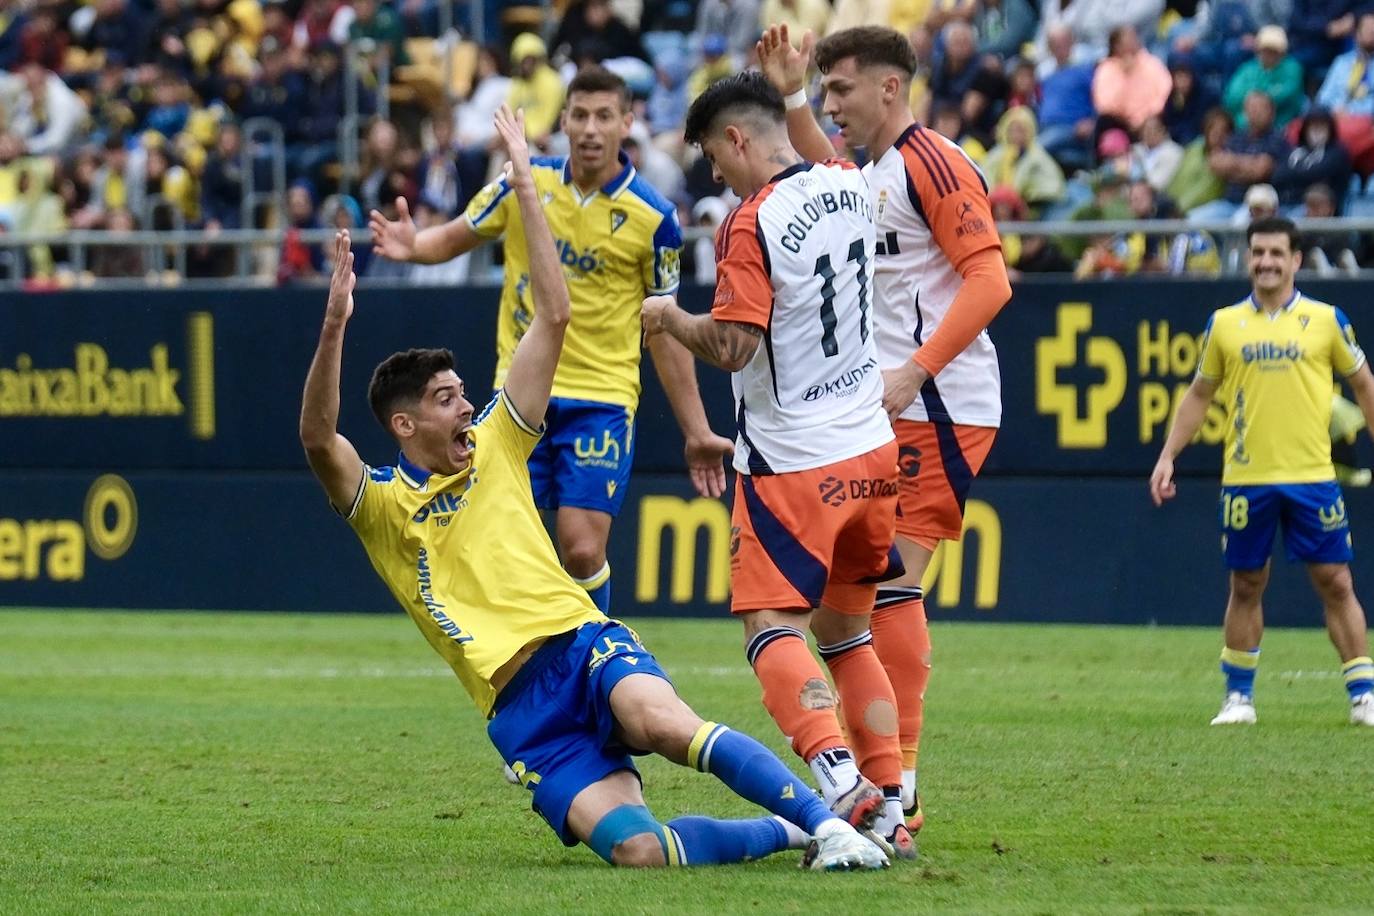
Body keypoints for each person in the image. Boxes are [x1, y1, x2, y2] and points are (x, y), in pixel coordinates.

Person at [301, 105, 890, 873]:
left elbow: (554, 312)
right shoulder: (380, 506)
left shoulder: (499, 441)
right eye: (445, 398)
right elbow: (319, 439)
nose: (464, 404)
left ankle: (833, 822)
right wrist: (335, 325)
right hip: (519, 712)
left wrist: (524, 184)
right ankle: (798, 832)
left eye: (461, 392)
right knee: (640, 851)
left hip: (581, 646)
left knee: (664, 725)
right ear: (404, 426)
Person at [641, 71, 914, 859]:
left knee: (771, 623)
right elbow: (817, 147)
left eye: (712, 160)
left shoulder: (749, 223)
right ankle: (891, 802)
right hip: (869, 449)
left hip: (794, 459)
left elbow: (733, 345)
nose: (715, 178)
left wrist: (670, 317)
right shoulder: (849, 182)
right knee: (848, 633)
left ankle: (837, 782)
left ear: (735, 140)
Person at [756, 22, 1012, 837]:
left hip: (938, 406)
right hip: (887, 409)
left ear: (890, 88)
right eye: (826, 92)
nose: (832, 106)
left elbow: (990, 279)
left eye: (841, 90)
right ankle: (887, 784)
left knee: (885, 590)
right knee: (844, 609)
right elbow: (819, 169)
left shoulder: (932, 162)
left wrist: (918, 370)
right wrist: (792, 92)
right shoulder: (875, 173)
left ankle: (898, 788)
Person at [369, 67, 732, 615]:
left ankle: (596, 658)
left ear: (627, 123)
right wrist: (414, 245)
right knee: (507, 548)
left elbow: (663, 327)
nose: (590, 129)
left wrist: (697, 429)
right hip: (520, 397)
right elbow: (458, 235)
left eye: (604, 116)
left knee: (583, 548)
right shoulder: (524, 182)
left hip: (602, 398)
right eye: (580, 115)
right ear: (562, 120)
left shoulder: (654, 218)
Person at [1149, 216, 1374, 728]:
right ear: (1248, 258)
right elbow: (1199, 395)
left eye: (1276, 253)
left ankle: (1364, 696)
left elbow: (1363, 384)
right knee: (1246, 584)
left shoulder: (1325, 320)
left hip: (1313, 475)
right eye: (1258, 253)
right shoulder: (1225, 324)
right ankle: (1239, 699)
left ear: (1295, 260)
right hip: (1247, 478)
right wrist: (1168, 456)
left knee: (1336, 581)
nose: (1266, 262)